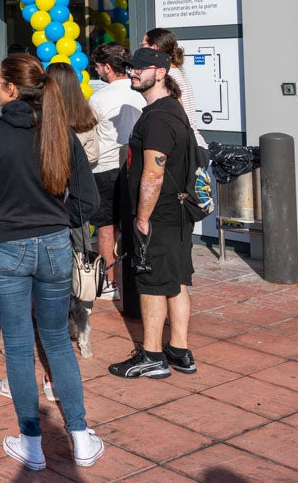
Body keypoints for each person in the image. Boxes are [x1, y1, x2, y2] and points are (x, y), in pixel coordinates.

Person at [0, 52, 103, 471]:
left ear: (8, 89)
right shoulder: (59, 133)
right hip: (54, 243)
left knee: (20, 347)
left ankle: (33, 443)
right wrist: (58, 217)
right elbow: (88, 201)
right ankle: (79, 435)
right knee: (57, 339)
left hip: (6, 247)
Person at [109, 47, 200, 380]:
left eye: (140, 68)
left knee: (150, 283)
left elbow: (153, 172)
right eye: (131, 68)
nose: (133, 72)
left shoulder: (159, 117)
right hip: (176, 214)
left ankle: (150, 355)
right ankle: (179, 350)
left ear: (160, 73)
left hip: (159, 215)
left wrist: (142, 218)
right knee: (176, 280)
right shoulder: (170, 110)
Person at [87, 43, 145, 294]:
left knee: (106, 227)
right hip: (137, 166)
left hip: (106, 167)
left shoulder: (98, 97)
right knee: (134, 224)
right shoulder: (141, 90)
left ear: (108, 67)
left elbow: (88, 135)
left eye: (99, 67)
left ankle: (110, 282)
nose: (98, 72)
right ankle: (135, 279)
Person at [141, 29, 207, 153]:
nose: (140, 49)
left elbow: (177, 110)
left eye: (143, 45)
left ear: (154, 48)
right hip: (194, 142)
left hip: (186, 146)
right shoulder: (176, 69)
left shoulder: (166, 74)